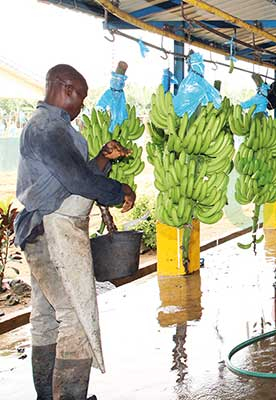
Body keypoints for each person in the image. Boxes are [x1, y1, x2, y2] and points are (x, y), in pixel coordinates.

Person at [15, 64, 136, 400]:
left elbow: (74, 176)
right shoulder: (47, 129)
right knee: (75, 317)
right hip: (50, 232)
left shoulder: (54, 129)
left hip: (40, 232)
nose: (82, 104)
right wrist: (119, 189)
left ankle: (46, 395)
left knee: (47, 316)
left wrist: (102, 158)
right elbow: (79, 183)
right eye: (80, 97)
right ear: (64, 88)